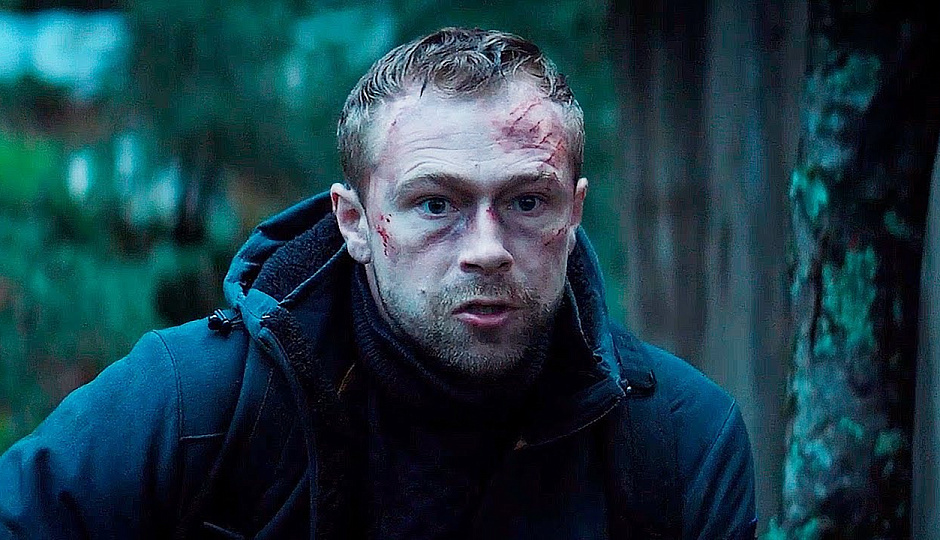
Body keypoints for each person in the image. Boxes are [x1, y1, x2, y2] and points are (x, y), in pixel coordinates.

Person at [0, 27, 756, 539]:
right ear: (354, 222)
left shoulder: (678, 441)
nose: (487, 250)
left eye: (528, 202)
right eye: (436, 204)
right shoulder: (194, 401)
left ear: (574, 210)